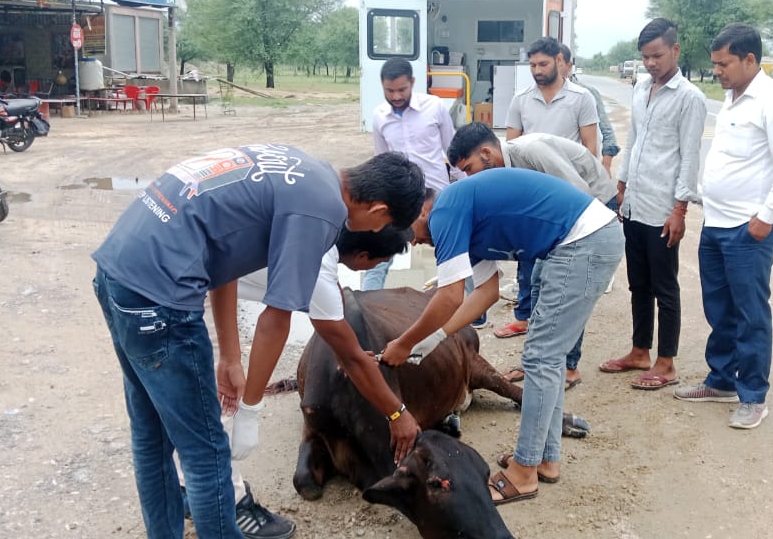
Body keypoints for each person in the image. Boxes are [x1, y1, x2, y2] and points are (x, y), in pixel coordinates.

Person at [92, 145, 425, 538]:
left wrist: (230, 357)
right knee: (208, 455)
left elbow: (223, 258)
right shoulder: (323, 211)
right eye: (377, 228)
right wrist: (250, 409)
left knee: (152, 436)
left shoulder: (309, 168)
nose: (369, 233)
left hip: (119, 272)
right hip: (161, 300)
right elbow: (275, 320)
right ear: (378, 211)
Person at [379, 167, 623, 505]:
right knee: (545, 358)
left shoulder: (446, 209)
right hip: (581, 241)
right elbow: (486, 293)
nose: (415, 242)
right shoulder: (464, 218)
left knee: (541, 357)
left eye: (410, 233)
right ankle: (545, 460)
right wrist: (436, 338)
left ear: (422, 210)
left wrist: (404, 343)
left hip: (583, 240)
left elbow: (449, 296)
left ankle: (524, 472)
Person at [178, 226, 419, 539]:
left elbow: (226, 271)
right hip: (174, 300)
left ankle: (181, 493)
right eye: (380, 261)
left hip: (168, 275)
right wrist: (398, 413)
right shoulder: (316, 269)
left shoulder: (318, 242)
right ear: (362, 255)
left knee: (162, 420)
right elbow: (275, 323)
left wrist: (230, 355)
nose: (376, 268)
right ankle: (230, 504)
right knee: (211, 410)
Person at [672, 24, 773, 430]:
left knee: (750, 314)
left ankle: (752, 395)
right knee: (719, 308)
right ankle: (721, 380)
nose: (717, 71)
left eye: (723, 64)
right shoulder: (733, 99)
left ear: (750, 60)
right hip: (715, 222)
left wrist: (768, 216)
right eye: (714, 64)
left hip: (747, 229)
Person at [447, 122, 615, 390]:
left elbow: (578, 192)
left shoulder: (531, 151)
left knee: (565, 288)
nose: (469, 178)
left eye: (469, 168)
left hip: (592, 211)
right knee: (538, 284)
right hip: (563, 221)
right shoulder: (502, 171)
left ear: (487, 154)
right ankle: (538, 363)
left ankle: (567, 367)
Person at [597, 18, 707, 392]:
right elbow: (637, 141)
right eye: (645, 57)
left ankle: (666, 362)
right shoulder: (642, 88)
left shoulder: (689, 98)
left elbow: (689, 157)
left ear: (675, 51)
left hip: (663, 208)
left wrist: (680, 209)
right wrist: (621, 187)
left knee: (665, 287)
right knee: (637, 284)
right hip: (635, 204)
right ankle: (639, 351)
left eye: (657, 55)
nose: (650, 63)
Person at [500, 36, 601, 341]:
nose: (537, 70)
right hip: (531, 194)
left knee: (562, 264)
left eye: (543, 64)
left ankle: (556, 326)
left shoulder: (581, 98)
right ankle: (524, 316)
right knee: (527, 257)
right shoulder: (521, 99)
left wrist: (587, 194)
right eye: (532, 65)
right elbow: (512, 147)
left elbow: (589, 149)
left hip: (568, 195)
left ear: (559, 60)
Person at [363, 59, 465, 293]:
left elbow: (454, 150)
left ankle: (469, 310)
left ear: (413, 82)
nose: (396, 96)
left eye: (402, 89)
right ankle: (367, 302)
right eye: (390, 90)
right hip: (400, 199)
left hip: (438, 196)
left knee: (453, 253)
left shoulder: (435, 107)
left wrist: (462, 190)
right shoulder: (379, 116)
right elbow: (382, 160)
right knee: (380, 249)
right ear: (382, 86)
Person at [557, 43, 619, 172]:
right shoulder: (532, 96)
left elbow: (606, 131)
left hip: (580, 171)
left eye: (558, 63)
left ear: (569, 66)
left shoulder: (586, 94)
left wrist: (606, 166)